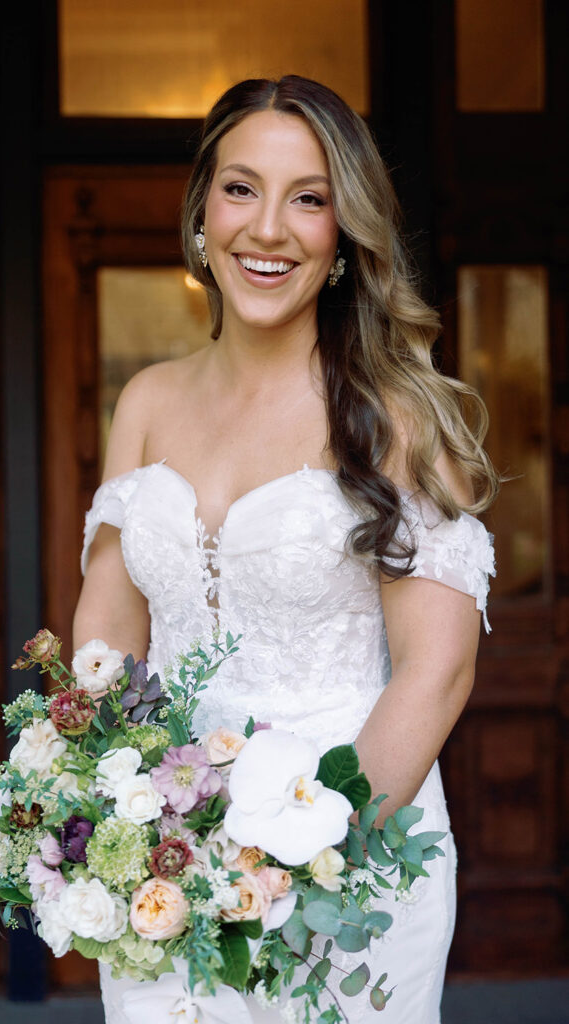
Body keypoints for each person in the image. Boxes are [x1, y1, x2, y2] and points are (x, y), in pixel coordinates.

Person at [74, 75, 498, 1024]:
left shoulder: (392, 414)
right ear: (200, 214)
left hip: (349, 855)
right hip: (167, 871)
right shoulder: (144, 402)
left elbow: (437, 671)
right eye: (240, 189)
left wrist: (301, 867)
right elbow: (105, 640)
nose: (268, 228)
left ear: (343, 239)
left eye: (308, 199)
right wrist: (102, 816)